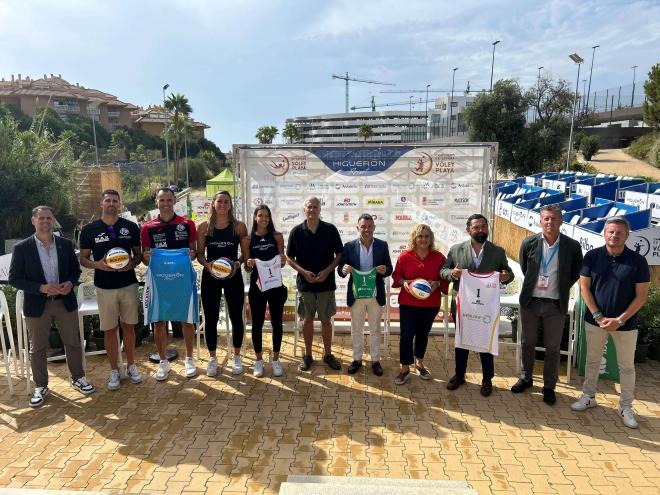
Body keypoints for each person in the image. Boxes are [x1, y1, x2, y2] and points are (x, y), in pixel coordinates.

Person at [8, 205, 95, 407]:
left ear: (53, 220)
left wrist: (69, 284)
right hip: (38, 305)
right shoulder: (22, 248)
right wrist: (41, 287)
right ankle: (41, 385)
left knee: (73, 342)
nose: (46, 221)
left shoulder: (65, 244)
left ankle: (78, 378)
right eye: (41, 218)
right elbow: (14, 279)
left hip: (64, 302)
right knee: (37, 348)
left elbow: (75, 271)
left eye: (49, 218)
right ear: (34, 221)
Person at [571, 217, 650, 428]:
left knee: (626, 367)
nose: (614, 236)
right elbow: (584, 288)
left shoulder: (637, 261)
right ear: (604, 233)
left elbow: (641, 296)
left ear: (627, 235)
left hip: (626, 325)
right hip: (594, 321)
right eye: (611, 232)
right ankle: (588, 397)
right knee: (593, 361)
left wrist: (620, 319)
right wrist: (598, 316)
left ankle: (626, 406)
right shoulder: (591, 256)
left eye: (619, 233)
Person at [516, 204, 583, 405]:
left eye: (554, 219)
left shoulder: (572, 246)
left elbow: (574, 272)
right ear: (540, 221)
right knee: (527, 342)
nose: (550, 222)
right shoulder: (529, 243)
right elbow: (524, 267)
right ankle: (526, 378)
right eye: (546, 218)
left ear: (561, 221)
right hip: (530, 302)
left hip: (555, 304)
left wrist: (560, 287)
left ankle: (549, 386)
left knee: (553, 347)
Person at [441, 214, 513, 396]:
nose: (481, 230)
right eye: (476, 227)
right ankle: (459, 375)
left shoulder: (497, 252)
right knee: (461, 342)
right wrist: (453, 274)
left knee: (485, 343)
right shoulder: (456, 250)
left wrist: (505, 276)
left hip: (486, 307)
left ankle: (487, 379)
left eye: (483, 227)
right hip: (462, 305)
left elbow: (508, 273)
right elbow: (443, 271)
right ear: (468, 230)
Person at [79, 190, 143, 390]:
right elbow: (83, 259)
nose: (112, 204)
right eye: (108, 200)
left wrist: (132, 264)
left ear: (120, 204)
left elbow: (138, 255)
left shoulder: (131, 227)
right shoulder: (89, 230)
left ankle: (131, 365)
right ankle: (114, 369)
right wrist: (98, 265)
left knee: (129, 327)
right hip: (104, 286)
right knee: (109, 329)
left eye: (115, 201)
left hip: (128, 284)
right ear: (101, 204)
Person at [141, 187, 198, 381]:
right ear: (156, 202)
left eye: (168, 199)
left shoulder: (187, 224)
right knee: (159, 321)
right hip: (160, 282)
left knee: (188, 319)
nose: (165, 203)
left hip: (182, 279)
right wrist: (146, 257)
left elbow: (194, 252)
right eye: (161, 200)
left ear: (174, 201)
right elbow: (146, 258)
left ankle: (190, 359)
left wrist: (191, 254)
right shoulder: (148, 227)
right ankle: (163, 362)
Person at [286, 196, 344, 371]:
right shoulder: (296, 231)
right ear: (304, 209)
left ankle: (328, 354)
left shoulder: (330, 229)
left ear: (320, 209)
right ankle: (308, 355)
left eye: (315, 207)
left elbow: (340, 254)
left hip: (326, 285)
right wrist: (303, 272)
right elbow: (289, 257)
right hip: (306, 284)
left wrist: (327, 271)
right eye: (309, 207)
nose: (312, 210)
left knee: (326, 320)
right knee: (307, 320)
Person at [197, 191, 248, 376]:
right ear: (213, 203)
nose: (223, 205)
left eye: (226, 202)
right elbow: (200, 254)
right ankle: (212, 358)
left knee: (236, 317)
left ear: (230, 205)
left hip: (233, 276)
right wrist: (208, 266)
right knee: (210, 318)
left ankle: (236, 356)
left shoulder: (239, 227)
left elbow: (245, 253)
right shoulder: (204, 227)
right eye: (219, 201)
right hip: (211, 276)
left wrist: (238, 263)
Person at [391, 224, 448, 385]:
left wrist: (437, 283)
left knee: (423, 333)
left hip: (430, 304)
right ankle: (404, 367)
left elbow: (444, 278)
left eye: (426, 236)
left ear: (431, 239)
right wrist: (404, 283)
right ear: (414, 238)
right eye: (420, 236)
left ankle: (419, 363)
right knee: (407, 334)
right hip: (409, 303)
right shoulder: (405, 256)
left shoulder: (439, 258)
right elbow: (396, 276)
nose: (423, 239)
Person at [337, 213, 393, 376]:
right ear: (358, 228)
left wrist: (384, 270)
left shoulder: (382, 245)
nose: (367, 230)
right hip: (356, 294)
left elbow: (389, 268)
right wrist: (344, 269)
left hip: (375, 294)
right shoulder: (349, 246)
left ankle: (376, 360)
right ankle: (357, 359)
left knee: (375, 328)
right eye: (363, 227)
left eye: (369, 227)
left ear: (374, 228)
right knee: (356, 329)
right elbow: (341, 270)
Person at [245, 205, 287, 377]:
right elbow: (247, 269)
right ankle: (259, 360)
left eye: (267, 216)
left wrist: (283, 260)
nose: (264, 219)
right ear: (255, 217)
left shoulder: (277, 236)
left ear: (270, 218)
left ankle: (276, 359)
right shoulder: (248, 239)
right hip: (257, 287)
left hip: (275, 286)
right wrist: (248, 265)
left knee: (277, 323)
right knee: (257, 324)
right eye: (260, 215)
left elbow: (282, 263)